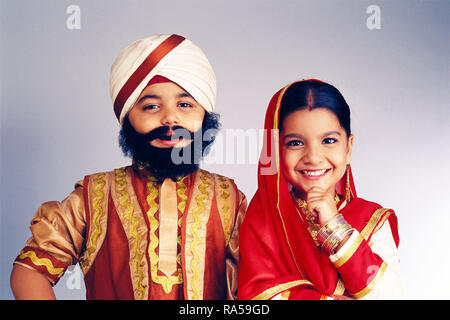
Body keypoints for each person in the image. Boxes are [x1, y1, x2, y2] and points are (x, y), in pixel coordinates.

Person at [10, 34, 247, 300]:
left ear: (205, 116)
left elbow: (259, 285)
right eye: (151, 106)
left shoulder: (229, 199)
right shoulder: (93, 197)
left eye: (185, 104)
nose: (170, 117)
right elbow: (30, 272)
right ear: (127, 120)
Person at [237, 79, 404, 300]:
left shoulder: (371, 220)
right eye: (295, 143)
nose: (313, 158)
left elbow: (390, 295)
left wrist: (336, 226)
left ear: (349, 147)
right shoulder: (263, 222)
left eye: (329, 140)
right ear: (276, 149)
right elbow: (256, 297)